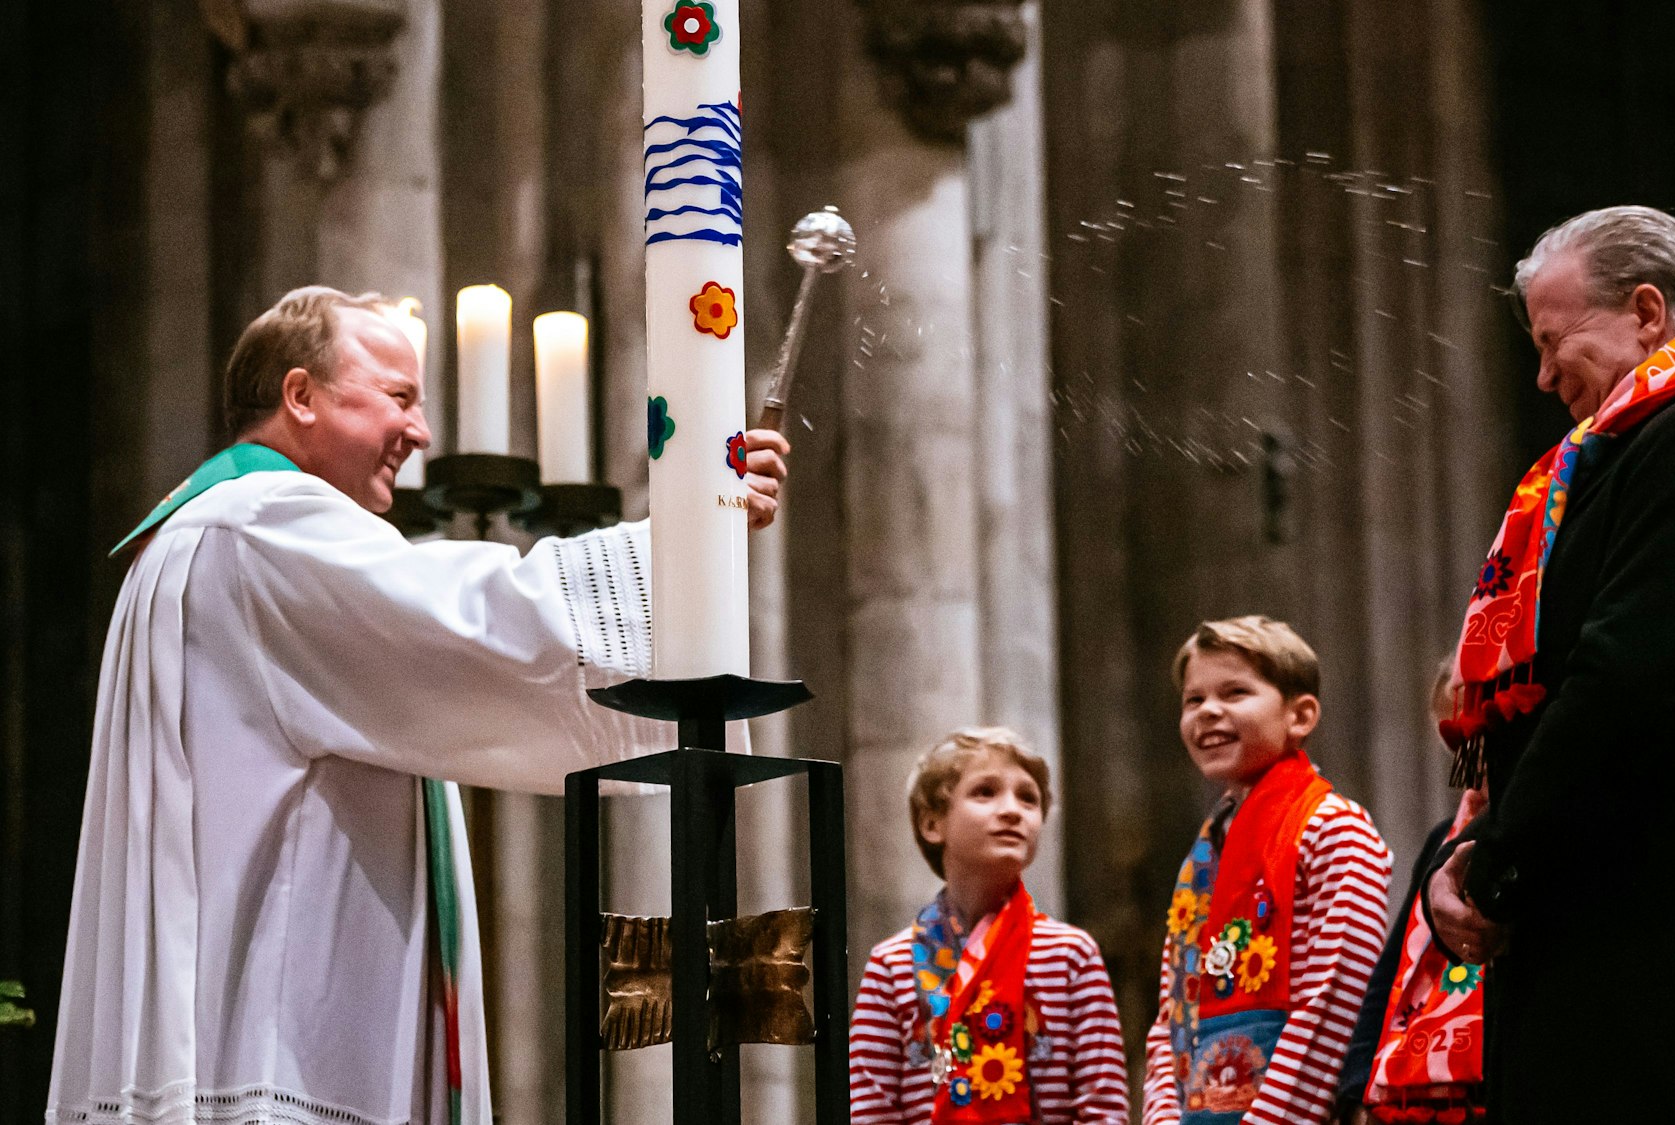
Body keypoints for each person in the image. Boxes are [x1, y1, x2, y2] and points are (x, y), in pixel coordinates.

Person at [45, 286, 792, 1125]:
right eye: (398, 397)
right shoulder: (261, 525)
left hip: (258, 1024)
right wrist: (688, 539)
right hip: (279, 1044)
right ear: (300, 396)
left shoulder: (211, 531)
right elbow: (486, 622)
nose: (423, 433)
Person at [1423, 206, 1675, 1123]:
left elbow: (1620, 685)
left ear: (1646, 312)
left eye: (1552, 340)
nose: (1540, 376)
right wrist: (1461, 853)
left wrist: (1495, 866)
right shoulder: (1627, 458)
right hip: (1617, 954)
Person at [1142, 615, 1393, 1125]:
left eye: (1235, 693)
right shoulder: (1205, 854)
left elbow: (1335, 997)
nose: (1209, 712)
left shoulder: (1334, 827)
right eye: (1194, 700)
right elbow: (1173, 1014)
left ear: (1299, 716)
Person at [847, 727, 1129, 1124]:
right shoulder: (890, 965)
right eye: (985, 792)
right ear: (933, 824)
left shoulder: (1070, 955)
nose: (1012, 809)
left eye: (1028, 798)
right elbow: (870, 1113)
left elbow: (1104, 1109)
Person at [1335, 660, 1487, 1125]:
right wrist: (1356, 1082)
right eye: (1456, 738)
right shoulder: (1445, 837)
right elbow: (1393, 965)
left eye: (1484, 728)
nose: (1474, 750)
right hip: (1416, 1084)